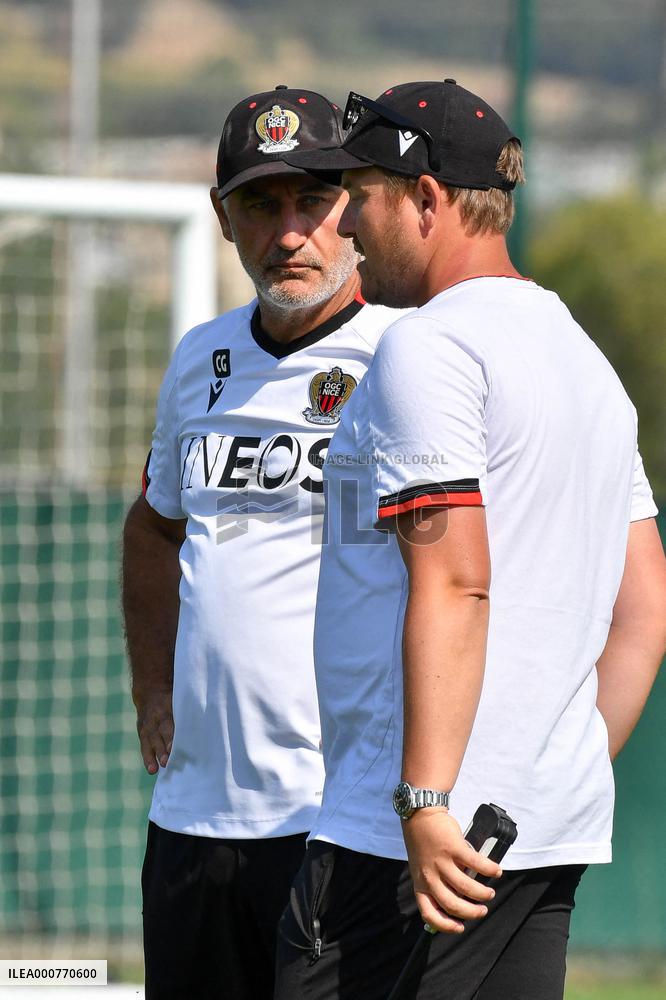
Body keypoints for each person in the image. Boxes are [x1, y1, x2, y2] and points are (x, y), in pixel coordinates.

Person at [274, 80, 666, 999]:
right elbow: (646, 608)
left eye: (359, 194)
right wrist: (551, 764)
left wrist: (425, 801)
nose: (347, 223)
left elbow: (455, 583)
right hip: (539, 832)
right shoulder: (587, 362)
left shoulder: (430, 348)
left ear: (426, 199)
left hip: (413, 841)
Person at [121, 84, 402, 1000]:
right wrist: (152, 683)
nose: (290, 234)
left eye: (312, 202)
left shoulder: (411, 357)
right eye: (260, 203)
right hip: (194, 820)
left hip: (340, 818)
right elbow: (155, 525)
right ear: (223, 217)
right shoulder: (198, 356)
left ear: (352, 210)